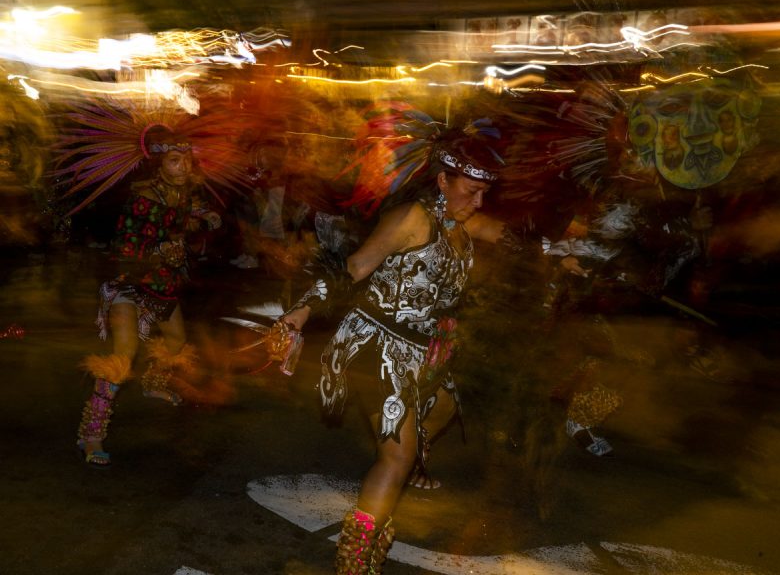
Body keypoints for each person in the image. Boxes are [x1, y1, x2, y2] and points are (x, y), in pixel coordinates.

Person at [281, 128, 584, 574]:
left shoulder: (462, 223)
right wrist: (299, 314)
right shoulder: (412, 219)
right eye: (472, 190)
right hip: (379, 341)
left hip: (426, 348)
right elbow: (355, 267)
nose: (479, 202)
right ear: (443, 180)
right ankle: (353, 562)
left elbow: (513, 238)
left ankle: (406, 453)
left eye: (485, 193)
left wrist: (563, 254)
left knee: (444, 408)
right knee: (396, 457)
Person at [75, 125, 222, 467]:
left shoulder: (183, 193)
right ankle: (91, 433)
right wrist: (159, 250)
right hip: (129, 283)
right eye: (174, 160)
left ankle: (152, 382)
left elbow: (189, 211)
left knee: (176, 343)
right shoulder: (143, 199)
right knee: (122, 357)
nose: (184, 166)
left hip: (162, 284)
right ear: (158, 165)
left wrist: (205, 215)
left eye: (186, 159)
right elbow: (123, 248)